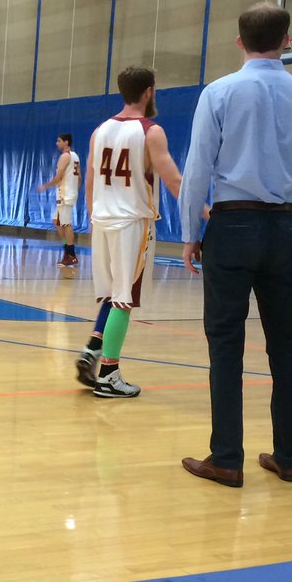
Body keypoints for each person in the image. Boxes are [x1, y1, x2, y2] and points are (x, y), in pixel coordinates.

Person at [178, 2, 292, 488]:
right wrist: (289, 223)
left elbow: (198, 169)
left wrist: (190, 236)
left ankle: (227, 458)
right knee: (287, 345)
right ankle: (289, 457)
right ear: (287, 41)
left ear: (239, 41)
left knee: (226, 343)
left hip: (233, 224)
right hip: (285, 227)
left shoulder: (219, 92)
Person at [75, 66, 182, 398]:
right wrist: (208, 212)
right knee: (124, 300)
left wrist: (95, 217)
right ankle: (109, 374)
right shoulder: (151, 131)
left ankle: (94, 347)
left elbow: (90, 181)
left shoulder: (100, 130)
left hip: (102, 220)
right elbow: (174, 181)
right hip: (132, 222)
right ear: (149, 91)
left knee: (112, 294)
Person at [38, 134, 81, 265]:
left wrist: (45, 186)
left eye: (59, 141)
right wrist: (75, 190)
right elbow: (79, 178)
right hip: (69, 193)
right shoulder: (75, 156)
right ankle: (67, 249)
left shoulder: (65, 156)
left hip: (64, 194)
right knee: (57, 221)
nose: (57, 143)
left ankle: (71, 254)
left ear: (66, 142)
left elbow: (58, 178)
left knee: (66, 224)